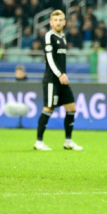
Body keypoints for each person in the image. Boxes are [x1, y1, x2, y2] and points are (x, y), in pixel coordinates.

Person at [34, 10, 83, 151]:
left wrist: (62, 75)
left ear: (64, 22)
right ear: (51, 22)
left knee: (71, 108)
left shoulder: (63, 37)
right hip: (52, 80)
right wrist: (60, 74)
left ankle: (68, 141)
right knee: (48, 108)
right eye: (55, 20)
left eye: (60, 20)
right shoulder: (49, 36)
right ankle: (39, 142)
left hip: (61, 80)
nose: (58, 22)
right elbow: (49, 58)